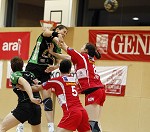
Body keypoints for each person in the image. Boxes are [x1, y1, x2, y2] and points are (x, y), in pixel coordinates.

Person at [16, 24, 68, 132]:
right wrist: (56, 34)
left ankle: (50, 126)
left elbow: (59, 61)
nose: (65, 34)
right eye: (64, 31)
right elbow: (47, 32)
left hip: (45, 70)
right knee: (28, 96)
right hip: (33, 67)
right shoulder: (46, 35)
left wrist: (54, 67)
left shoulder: (57, 45)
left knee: (47, 98)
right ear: (57, 30)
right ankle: (20, 123)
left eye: (66, 33)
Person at [48, 42, 106, 132]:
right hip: (99, 90)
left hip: (93, 90)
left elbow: (64, 46)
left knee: (92, 125)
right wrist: (53, 53)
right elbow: (67, 58)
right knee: (96, 123)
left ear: (86, 50)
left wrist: (57, 37)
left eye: (83, 46)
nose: (81, 47)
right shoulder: (86, 58)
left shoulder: (82, 56)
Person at [32, 59, 91, 132]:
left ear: (59, 69)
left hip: (72, 112)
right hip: (82, 112)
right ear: (70, 70)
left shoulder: (56, 80)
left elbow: (36, 88)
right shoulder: (72, 79)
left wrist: (23, 86)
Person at [0, 56, 41, 132]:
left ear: (11, 67)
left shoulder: (15, 75)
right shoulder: (30, 74)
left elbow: (24, 82)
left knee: (2, 127)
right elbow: (38, 85)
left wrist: (31, 97)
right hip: (36, 108)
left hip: (25, 107)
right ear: (22, 66)